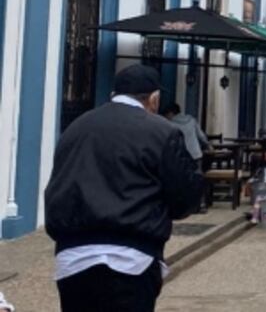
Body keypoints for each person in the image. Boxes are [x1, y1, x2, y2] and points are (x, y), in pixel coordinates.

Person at [45, 65, 203, 312]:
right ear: (154, 99)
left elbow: (58, 184)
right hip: (132, 258)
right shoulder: (161, 131)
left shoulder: (75, 128)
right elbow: (185, 198)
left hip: (73, 258)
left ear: (113, 95)